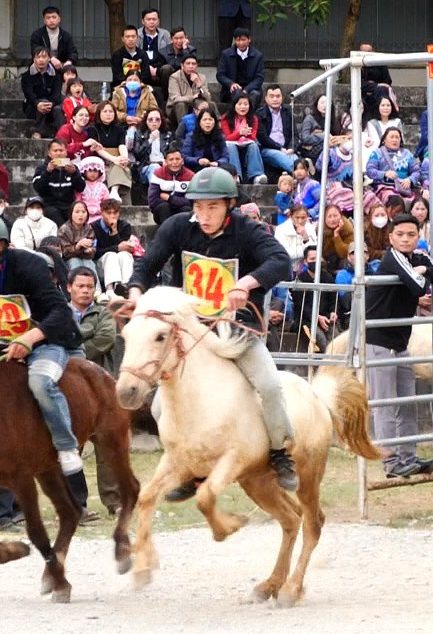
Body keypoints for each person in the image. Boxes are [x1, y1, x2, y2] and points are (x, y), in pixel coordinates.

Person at [119, 167, 299, 494]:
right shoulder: (177, 227)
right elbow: (148, 264)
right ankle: (189, 467)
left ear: (229, 204)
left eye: (212, 207)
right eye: (198, 207)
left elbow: (280, 261)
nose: (204, 215)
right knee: (160, 406)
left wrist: (247, 282)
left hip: (236, 329)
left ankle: (279, 451)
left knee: (270, 386)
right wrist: (135, 292)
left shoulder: (248, 231)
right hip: (189, 333)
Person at [0, 213, 93, 504]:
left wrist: (29, 338)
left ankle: (67, 449)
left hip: (49, 341)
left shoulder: (29, 265)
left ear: (1, 246)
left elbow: (61, 314)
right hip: (6, 345)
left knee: (39, 383)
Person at [361, 211, 433, 478]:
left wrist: (424, 268)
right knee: (386, 404)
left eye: (411, 235)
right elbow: (417, 287)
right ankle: (391, 463)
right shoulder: (392, 258)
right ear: (391, 238)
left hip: (400, 342)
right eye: (400, 234)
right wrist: (423, 274)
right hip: (378, 341)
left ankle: (408, 458)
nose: (405, 239)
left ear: (418, 236)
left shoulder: (418, 258)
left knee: (408, 402)